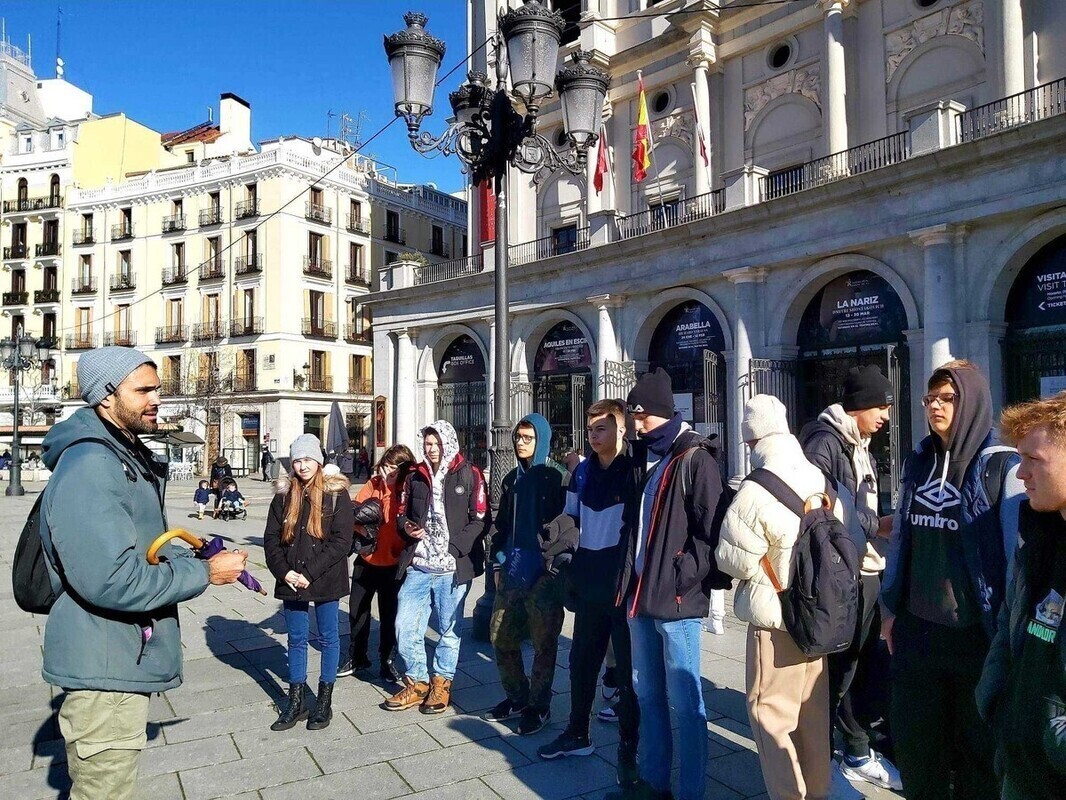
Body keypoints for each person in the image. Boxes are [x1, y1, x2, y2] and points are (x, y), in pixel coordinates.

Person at [39, 346, 247, 799]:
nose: (156, 399)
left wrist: (190, 561)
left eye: (157, 388)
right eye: (143, 390)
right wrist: (205, 574)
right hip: (104, 668)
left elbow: (130, 556)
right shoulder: (93, 465)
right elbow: (112, 580)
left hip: (113, 658)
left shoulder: (118, 454)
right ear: (105, 397)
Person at [880, 360, 1024, 800]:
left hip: (974, 635)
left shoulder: (1001, 467)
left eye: (948, 398)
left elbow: (1015, 557)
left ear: (973, 402)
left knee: (977, 756)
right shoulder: (919, 460)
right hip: (917, 631)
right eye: (931, 398)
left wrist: (1011, 635)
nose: (936, 406)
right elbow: (904, 538)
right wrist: (889, 607)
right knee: (919, 751)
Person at [719, 394, 859, 800]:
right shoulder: (816, 476)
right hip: (817, 615)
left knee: (770, 717)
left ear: (752, 439)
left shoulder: (755, 488)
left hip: (776, 621)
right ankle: (817, 792)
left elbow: (733, 560)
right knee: (811, 718)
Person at [615, 368, 731, 800]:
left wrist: (682, 574)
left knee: (687, 705)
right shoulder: (650, 457)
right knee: (650, 698)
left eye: (642, 415)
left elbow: (712, 532)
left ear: (663, 414)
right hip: (641, 597)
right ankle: (654, 781)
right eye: (634, 414)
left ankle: (691, 791)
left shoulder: (695, 459)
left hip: (677, 602)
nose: (637, 423)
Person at [799, 365, 902, 792]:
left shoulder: (857, 441)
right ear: (858, 405)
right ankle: (824, 759)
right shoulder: (826, 442)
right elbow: (824, 507)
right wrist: (875, 526)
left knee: (862, 666)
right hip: (846, 575)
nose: (886, 415)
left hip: (866, 570)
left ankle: (855, 747)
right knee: (838, 670)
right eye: (880, 405)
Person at [537, 399, 640, 788]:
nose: (594, 436)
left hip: (623, 586)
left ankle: (629, 750)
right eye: (591, 429)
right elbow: (573, 517)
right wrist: (556, 539)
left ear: (622, 429)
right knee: (581, 664)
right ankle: (578, 733)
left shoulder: (634, 469)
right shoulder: (581, 472)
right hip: (589, 583)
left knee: (629, 677)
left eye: (602, 428)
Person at [977, 392, 1066, 800]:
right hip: (1019, 762)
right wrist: (996, 701)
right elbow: (1009, 621)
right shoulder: (1036, 535)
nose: (1020, 473)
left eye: (1034, 460)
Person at [386, 420, 489, 714]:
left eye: (436, 444)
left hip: (451, 567)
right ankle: (417, 681)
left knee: (448, 629)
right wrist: (406, 526)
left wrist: (456, 548)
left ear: (448, 443)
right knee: (405, 626)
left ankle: (442, 682)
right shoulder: (415, 477)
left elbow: (480, 519)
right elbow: (402, 513)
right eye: (427, 444)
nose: (431, 449)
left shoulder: (469, 474)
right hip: (419, 564)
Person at [481, 413, 568, 735]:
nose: (520, 443)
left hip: (543, 575)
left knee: (544, 643)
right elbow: (501, 525)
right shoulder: (511, 480)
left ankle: (539, 705)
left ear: (541, 440)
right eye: (518, 437)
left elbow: (568, 527)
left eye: (527, 438)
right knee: (500, 635)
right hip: (513, 570)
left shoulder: (557, 477)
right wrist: (498, 563)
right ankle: (517, 697)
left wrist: (556, 567)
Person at [264, 434, 354, 732]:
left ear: (319, 461)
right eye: (297, 460)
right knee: (296, 639)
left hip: (324, 576)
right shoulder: (283, 495)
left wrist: (309, 573)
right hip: (291, 578)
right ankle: (297, 700)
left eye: (307, 460)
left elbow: (342, 541)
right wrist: (284, 572)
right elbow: (271, 540)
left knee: (329, 637)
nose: (302, 466)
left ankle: (324, 701)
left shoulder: (336, 493)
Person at [338, 444, 416, 682]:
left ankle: (387, 660)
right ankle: (357, 656)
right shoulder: (373, 484)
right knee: (357, 610)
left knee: (389, 614)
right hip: (368, 558)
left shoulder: (407, 490)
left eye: (393, 468)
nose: (387, 472)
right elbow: (355, 510)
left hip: (394, 562)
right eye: (385, 466)